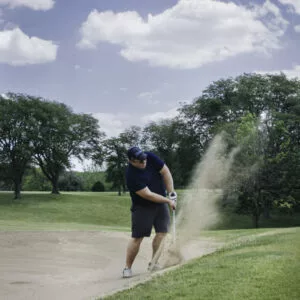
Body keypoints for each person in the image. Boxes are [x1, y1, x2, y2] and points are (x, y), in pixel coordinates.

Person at [122, 146, 177, 278]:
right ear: (131, 161)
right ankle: (127, 268)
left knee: (162, 233)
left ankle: (153, 263)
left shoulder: (149, 157)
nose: (143, 162)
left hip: (161, 202)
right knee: (137, 238)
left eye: (144, 159)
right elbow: (149, 195)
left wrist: (171, 192)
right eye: (140, 161)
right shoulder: (131, 175)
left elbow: (165, 172)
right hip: (142, 206)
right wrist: (168, 201)